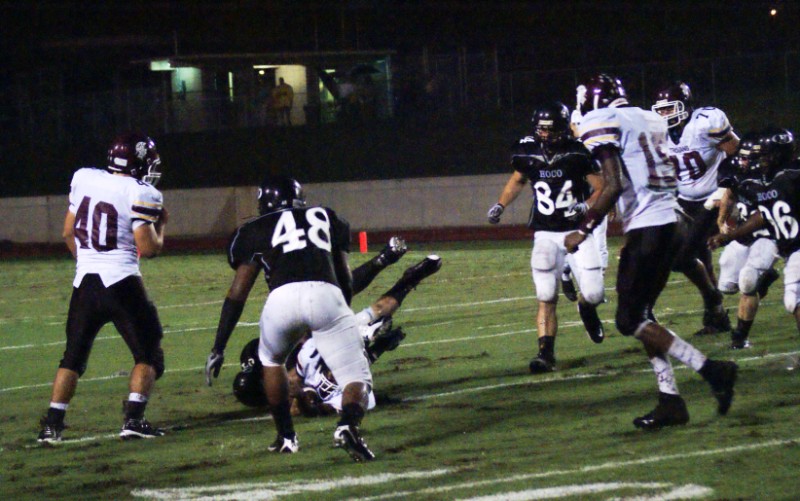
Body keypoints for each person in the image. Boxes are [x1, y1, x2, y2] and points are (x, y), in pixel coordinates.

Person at [564, 74, 738, 429]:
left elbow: (613, 184)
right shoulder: (649, 117)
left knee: (629, 320)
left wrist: (583, 228)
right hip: (673, 219)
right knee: (642, 315)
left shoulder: (602, 119)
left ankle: (712, 370)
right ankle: (670, 400)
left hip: (650, 227)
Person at [203, 174, 375, 462]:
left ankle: (286, 437)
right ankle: (348, 426)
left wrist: (219, 346)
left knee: (272, 361)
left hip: (281, 300)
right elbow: (344, 276)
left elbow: (238, 293)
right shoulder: (326, 217)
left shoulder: (255, 228)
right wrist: (340, 314)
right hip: (326, 294)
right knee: (356, 376)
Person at [37, 132, 167, 443]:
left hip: (85, 283)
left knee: (72, 358)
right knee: (149, 354)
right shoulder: (142, 192)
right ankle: (134, 419)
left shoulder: (85, 178)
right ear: (137, 162)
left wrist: (88, 261)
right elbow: (148, 248)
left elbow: (68, 232)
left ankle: (52, 425)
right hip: (122, 284)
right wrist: (162, 226)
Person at [231, 251, 443, 416]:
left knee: (344, 302)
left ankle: (392, 268)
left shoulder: (290, 355)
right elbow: (342, 376)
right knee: (372, 314)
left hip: (321, 334)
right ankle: (407, 281)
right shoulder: (303, 384)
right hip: (334, 353)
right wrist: (378, 349)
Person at [487, 101, 606, 374]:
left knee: (594, 293)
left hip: (577, 232)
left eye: (551, 130)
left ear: (563, 129)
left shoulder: (577, 152)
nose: (545, 135)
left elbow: (602, 187)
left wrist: (585, 206)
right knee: (546, 295)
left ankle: (586, 308)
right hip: (545, 232)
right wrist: (500, 205)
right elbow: (518, 180)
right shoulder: (527, 151)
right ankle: (545, 353)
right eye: (542, 129)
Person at [651, 81, 739, 336]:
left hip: (713, 198)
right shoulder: (658, 133)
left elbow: (738, 154)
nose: (665, 115)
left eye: (670, 108)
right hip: (684, 200)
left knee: (681, 257)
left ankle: (713, 299)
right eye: (661, 110)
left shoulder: (704, 122)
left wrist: (726, 188)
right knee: (700, 258)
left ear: (685, 106)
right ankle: (717, 317)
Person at [710, 127, 799, 349]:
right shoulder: (765, 178)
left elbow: (764, 213)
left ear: (777, 155)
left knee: (787, 296)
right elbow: (761, 213)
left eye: (762, 156)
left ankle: (739, 338)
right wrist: (726, 231)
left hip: (784, 242)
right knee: (729, 285)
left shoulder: (791, 176)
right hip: (784, 245)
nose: (756, 162)